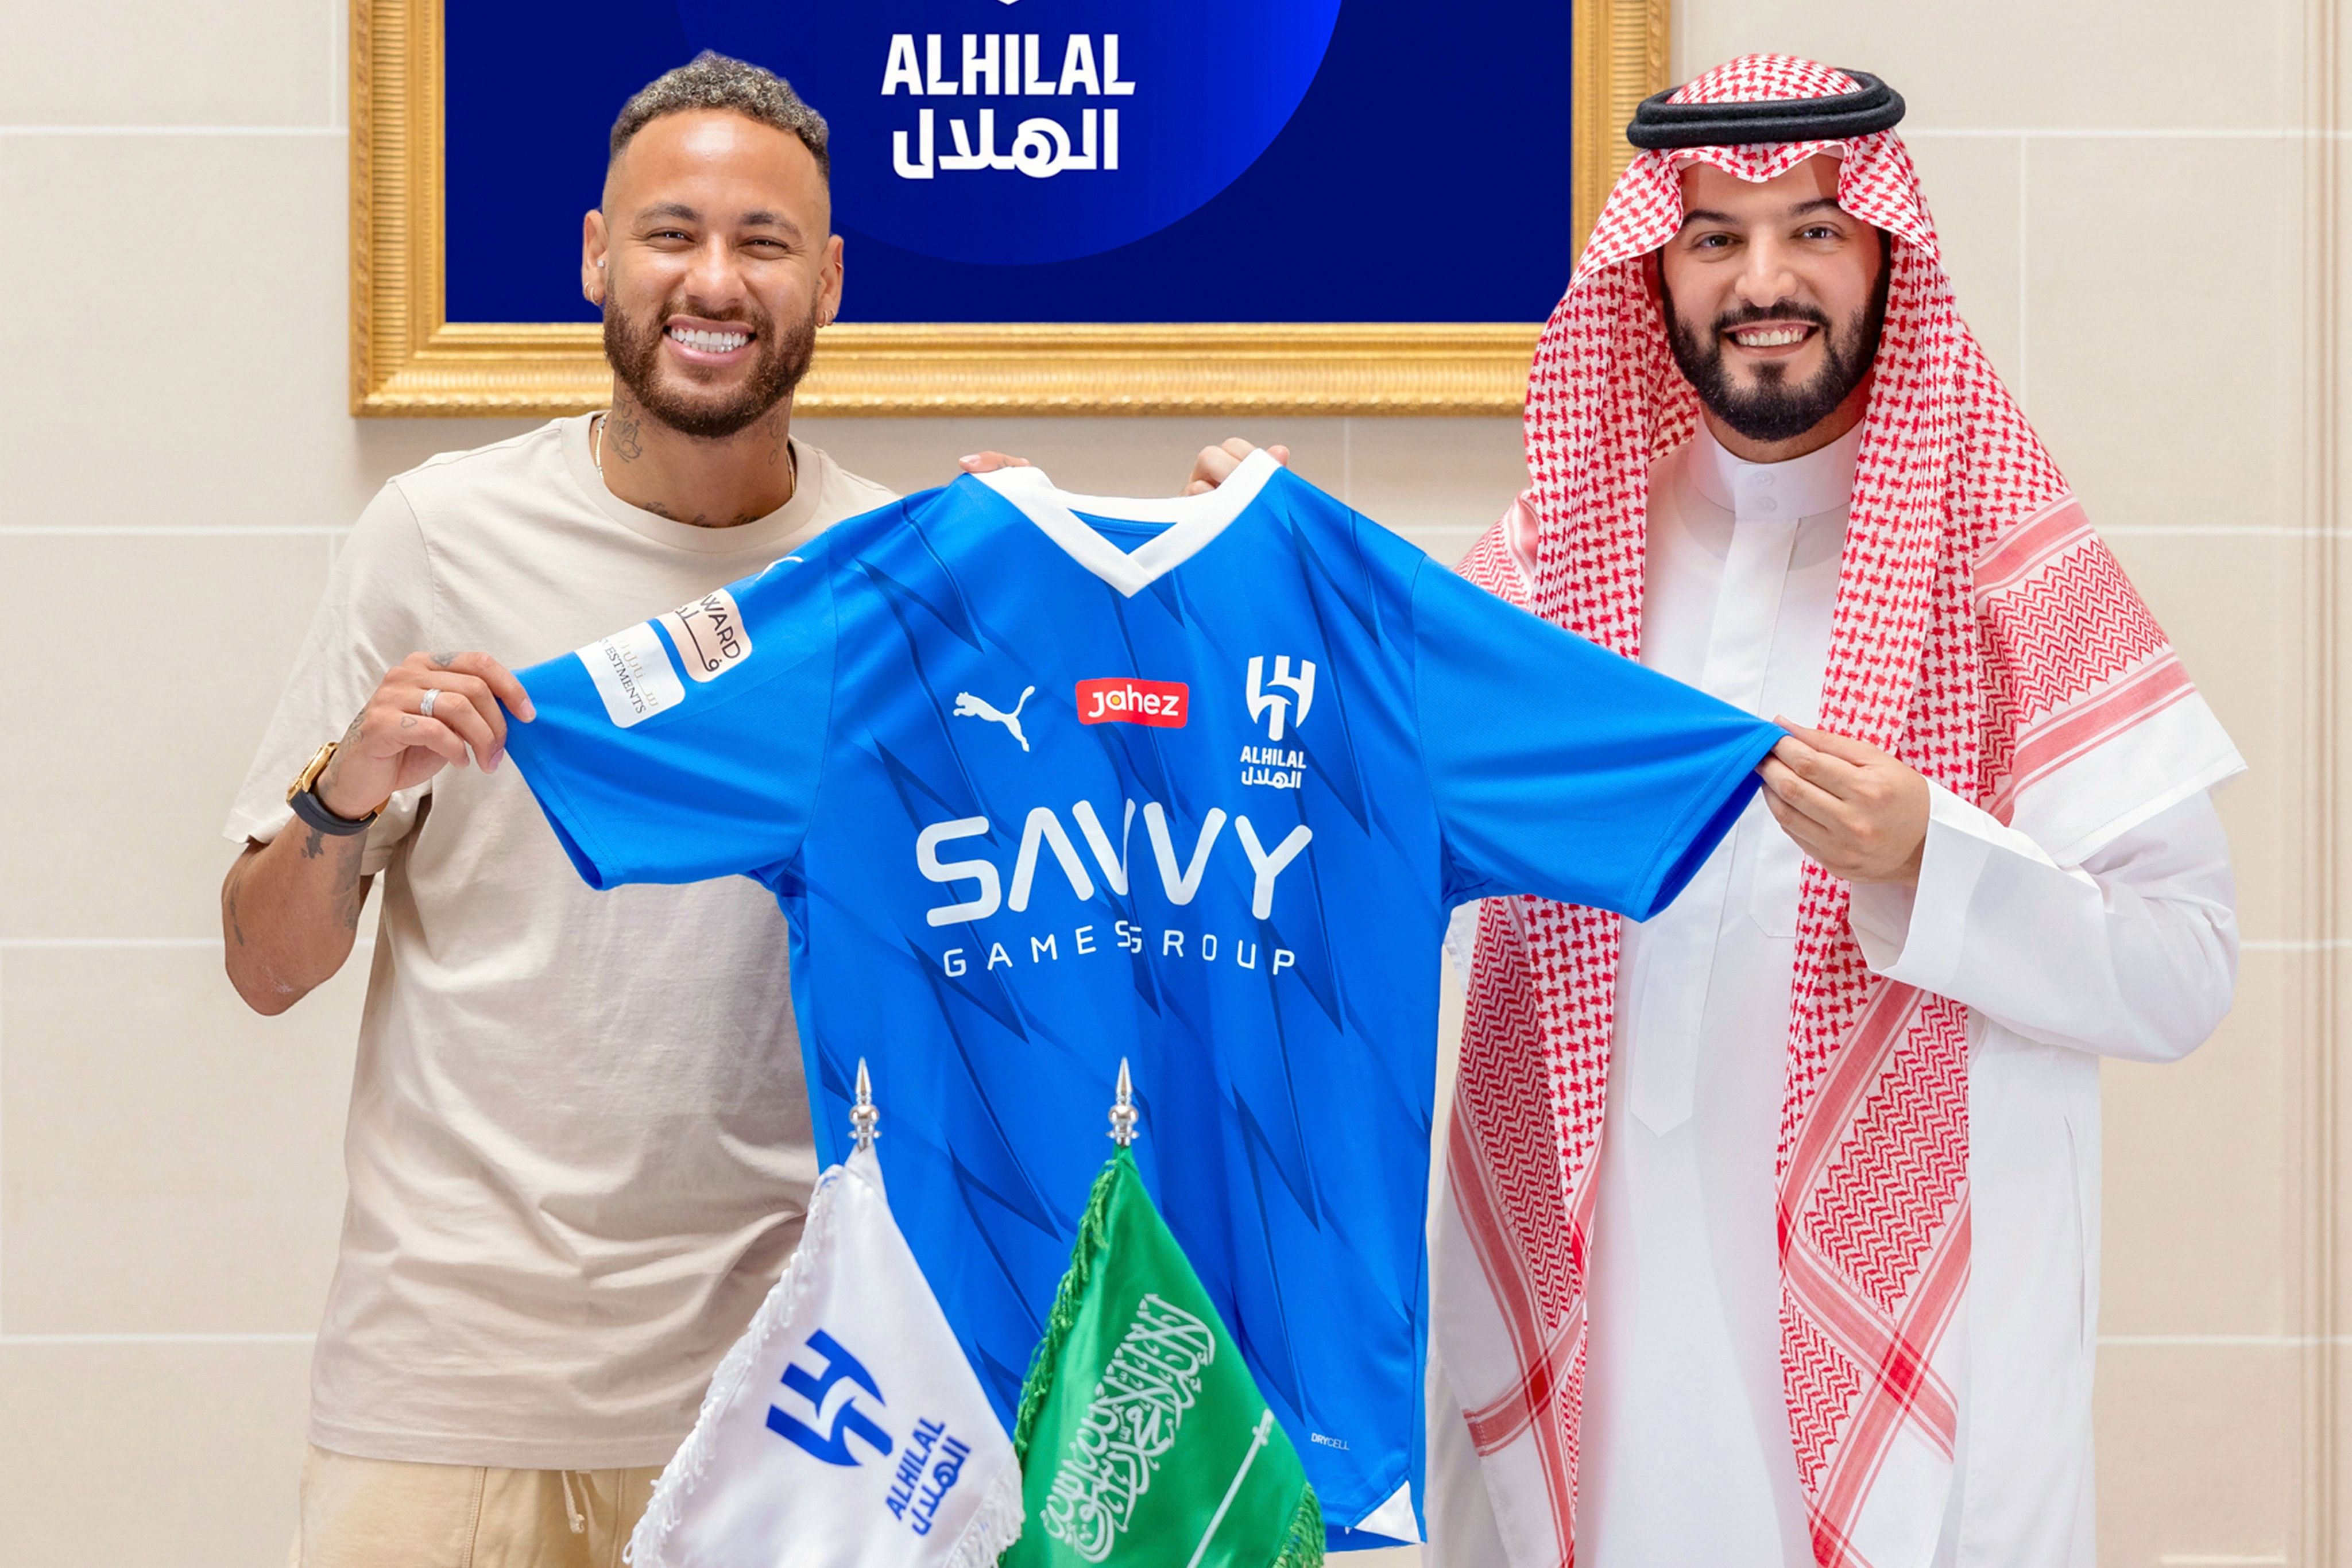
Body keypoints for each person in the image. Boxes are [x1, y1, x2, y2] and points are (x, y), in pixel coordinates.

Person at [220, 52, 1237, 1567]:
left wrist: (1131, 597)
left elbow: (1103, 904)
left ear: (828, 280)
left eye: (764, 243)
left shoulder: (906, 583)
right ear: (595, 256)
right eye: (670, 233)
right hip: (447, 1395)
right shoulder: (435, 537)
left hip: (805, 1402)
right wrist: (343, 791)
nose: (713, 280)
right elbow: (262, 967)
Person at [1413, 56, 2240, 1568]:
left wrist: (1934, 858)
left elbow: (2186, 967)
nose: (1764, 281)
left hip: (1916, 1367)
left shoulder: (2010, 564)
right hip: (1596, 1349)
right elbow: (1356, 809)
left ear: (1882, 254)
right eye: (1716, 238)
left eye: (1812, 230)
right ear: (1656, 270)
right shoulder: (1546, 566)